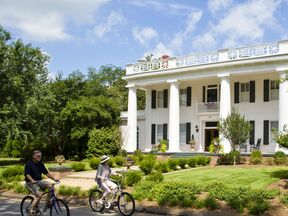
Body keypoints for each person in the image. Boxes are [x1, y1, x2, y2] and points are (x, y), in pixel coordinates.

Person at [24, 150, 59, 216]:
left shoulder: (41, 164)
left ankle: (48, 203)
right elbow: (27, 174)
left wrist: (54, 179)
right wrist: (32, 180)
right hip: (30, 183)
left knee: (51, 187)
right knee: (39, 195)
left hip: (39, 181)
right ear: (33, 156)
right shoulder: (29, 164)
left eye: (40, 156)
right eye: (37, 156)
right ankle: (31, 210)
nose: (39, 157)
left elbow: (46, 173)